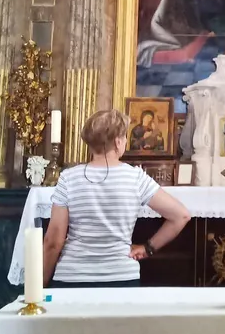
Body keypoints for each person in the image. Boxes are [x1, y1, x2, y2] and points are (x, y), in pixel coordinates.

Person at [43, 109, 190, 287]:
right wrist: (147, 248)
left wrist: (39, 285)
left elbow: (53, 241)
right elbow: (181, 215)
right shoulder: (136, 178)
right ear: (118, 141)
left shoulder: (68, 178)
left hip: (73, 276)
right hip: (121, 277)